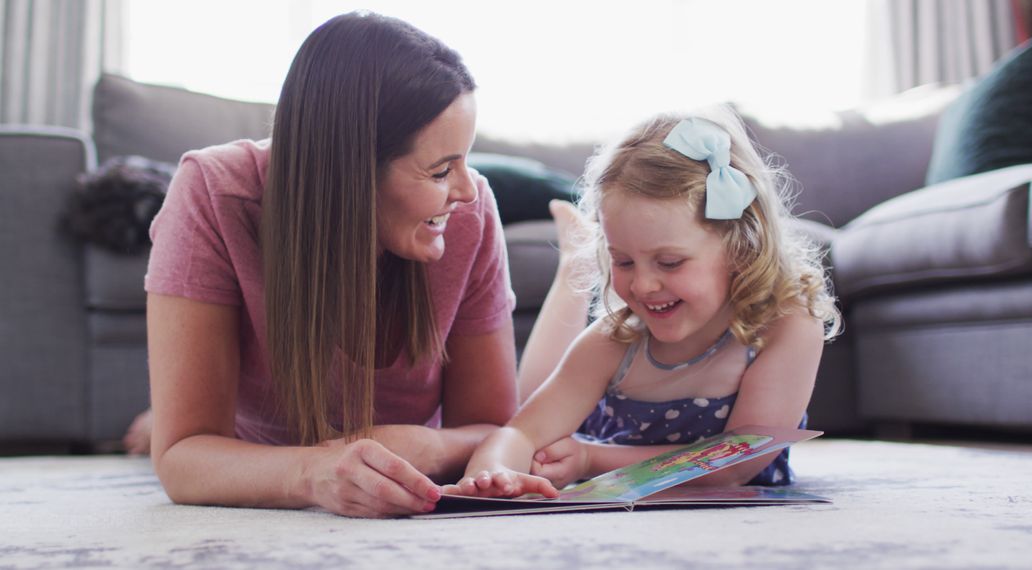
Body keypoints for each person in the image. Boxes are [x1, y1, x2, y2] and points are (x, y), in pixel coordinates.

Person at [141, 12, 518, 518]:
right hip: (253, 452)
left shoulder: (472, 213)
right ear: (352, 170)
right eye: (440, 170)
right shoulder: (213, 192)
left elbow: (495, 429)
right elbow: (182, 457)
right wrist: (316, 471)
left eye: (465, 161)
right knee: (167, 425)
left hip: (401, 455)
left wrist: (426, 447)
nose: (467, 191)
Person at [446, 109, 840, 498]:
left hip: (623, 464)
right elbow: (519, 431)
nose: (644, 285)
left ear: (740, 247)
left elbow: (734, 465)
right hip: (596, 436)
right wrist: (492, 474)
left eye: (670, 262)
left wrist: (589, 459)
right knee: (528, 395)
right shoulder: (615, 339)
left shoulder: (786, 323)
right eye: (623, 261)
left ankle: (575, 263)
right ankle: (575, 265)